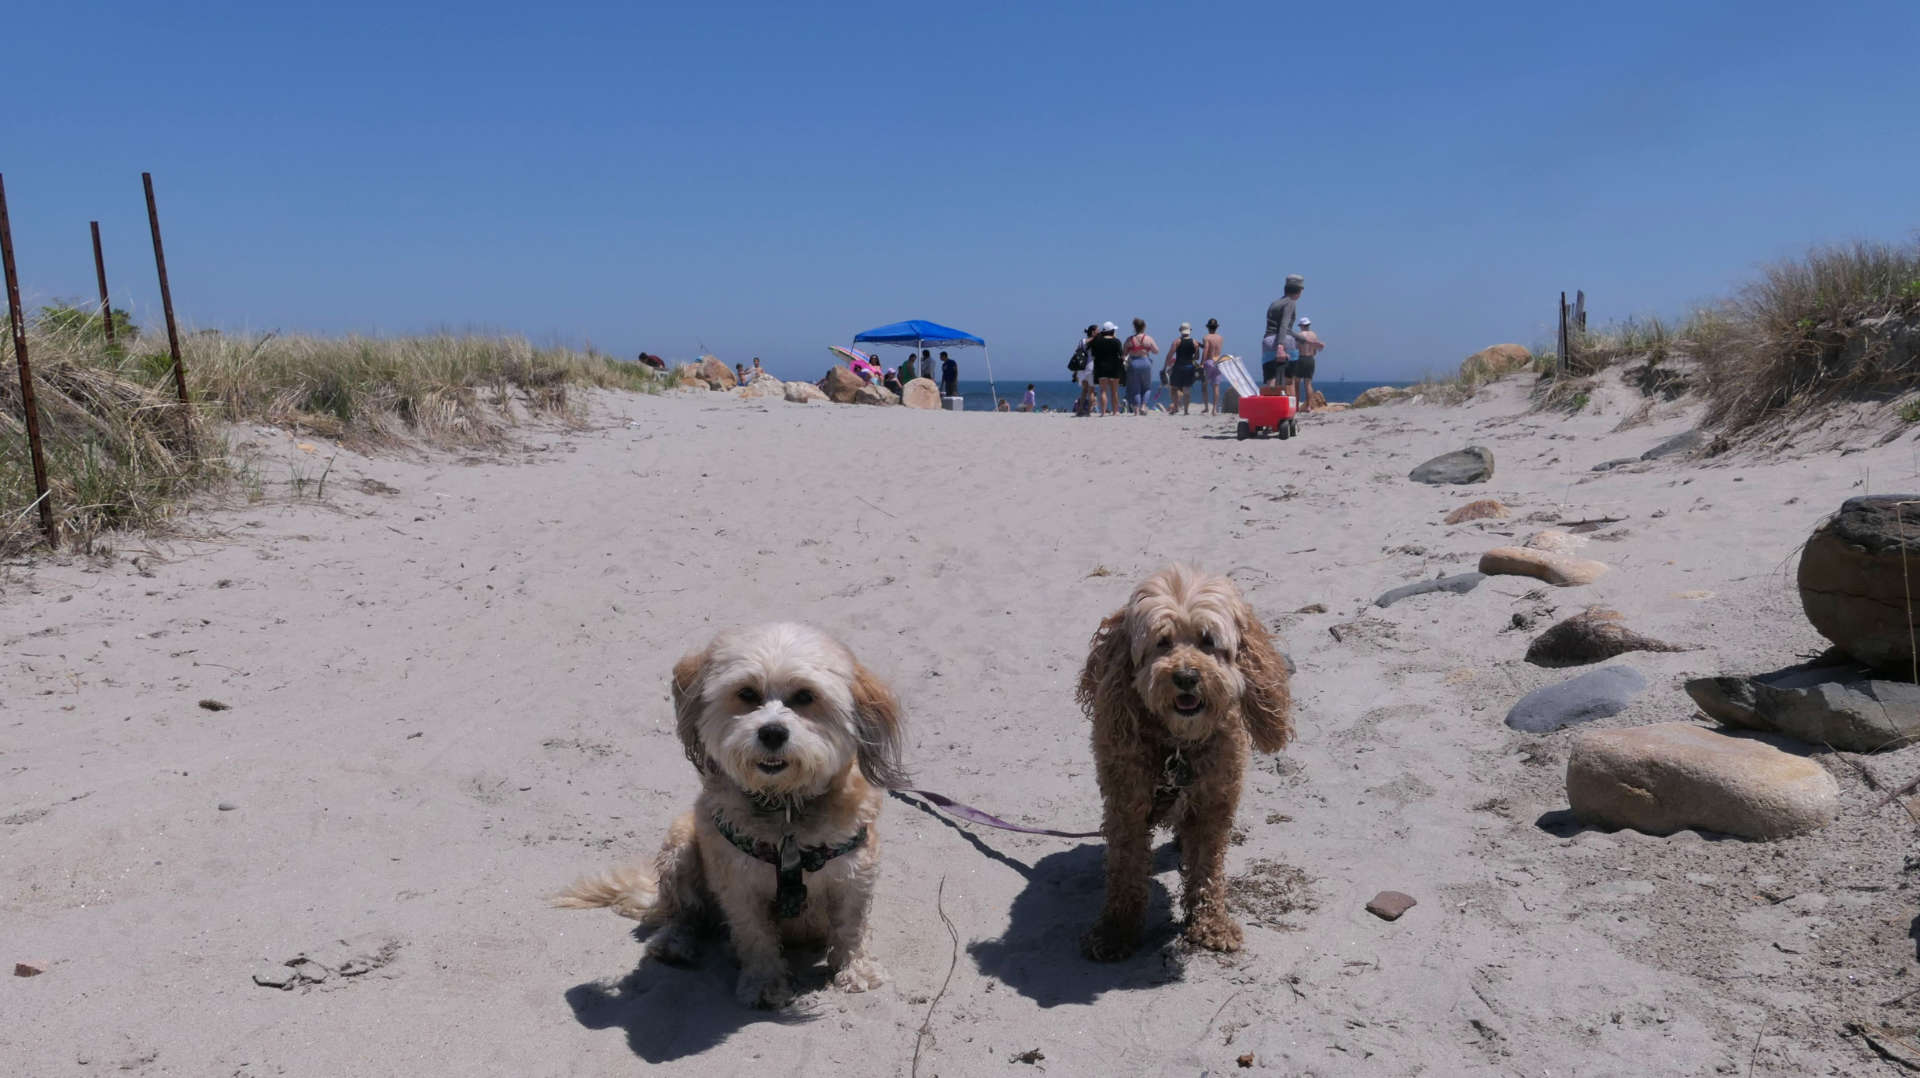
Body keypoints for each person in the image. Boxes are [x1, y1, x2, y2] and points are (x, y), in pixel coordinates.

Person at [1264, 274, 1305, 389]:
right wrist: (1280, 346)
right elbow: (1284, 325)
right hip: (1283, 341)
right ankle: (1287, 406)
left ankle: (1271, 405)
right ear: (1299, 291)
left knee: (1271, 377)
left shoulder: (1274, 304)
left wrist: (1302, 339)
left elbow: (1281, 327)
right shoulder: (1290, 303)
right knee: (1288, 380)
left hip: (1267, 340)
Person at [1164, 322, 1201, 415]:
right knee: (1187, 390)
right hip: (1189, 367)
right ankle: (1186, 411)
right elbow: (1197, 357)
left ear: (1181, 331)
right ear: (1189, 331)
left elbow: (1170, 354)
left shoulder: (1177, 341)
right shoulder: (1195, 343)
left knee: (1174, 388)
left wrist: (1166, 366)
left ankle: (1176, 407)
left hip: (1178, 367)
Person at [1089, 321, 1124, 415]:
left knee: (1103, 391)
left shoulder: (1098, 341)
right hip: (1114, 367)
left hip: (1101, 367)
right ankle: (1115, 411)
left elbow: (1093, 354)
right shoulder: (1116, 341)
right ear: (1112, 331)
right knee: (1114, 391)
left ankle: (1103, 412)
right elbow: (1121, 355)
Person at [1123, 318, 1157, 415]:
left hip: (1133, 363)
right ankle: (1143, 406)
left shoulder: (1129, 339)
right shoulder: (1148, 338)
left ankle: (1136, 410)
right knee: (1147, 387)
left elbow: (1124, 354)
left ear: (1134, 327)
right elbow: (1156, 351)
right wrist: (1147, 348)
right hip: (1145, 362)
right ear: (1144, 327)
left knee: (1135, 388)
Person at [1292, 318, 1325, 412]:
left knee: (1296, 383)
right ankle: (1309, 407)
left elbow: (1295, 349)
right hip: (1310, 359)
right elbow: (1315, 351)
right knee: (1308, 383)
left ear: (1301, 326)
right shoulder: (1314, 335)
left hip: (1300, 359)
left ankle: (1296, 407)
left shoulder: (1299, 335)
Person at [1200, 318, 1224, 414]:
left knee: (1204, 385)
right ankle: (1214, 409)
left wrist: (1202, 362)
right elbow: (1214, 348)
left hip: (1209, 362)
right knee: (1216, 386)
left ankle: (1206, 407)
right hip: (1218, 362)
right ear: (1217, 327)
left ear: (1207, 327)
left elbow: (1206, 350)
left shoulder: (1206, 337)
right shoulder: (1220, 338)